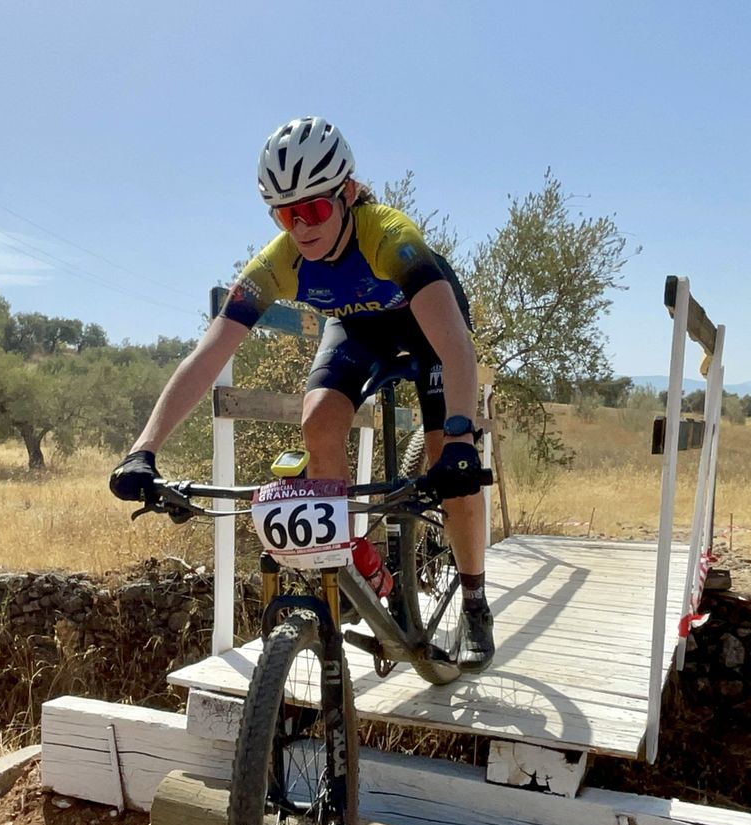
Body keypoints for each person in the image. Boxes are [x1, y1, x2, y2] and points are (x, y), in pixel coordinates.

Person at [109, 115, 494, 666]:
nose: (301, 226)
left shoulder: (389, 236)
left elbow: (456, 347)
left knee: (445, 456)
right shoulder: (279, 261)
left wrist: (460, 436)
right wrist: (143, 450)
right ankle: (350, 563)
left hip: (426, 327)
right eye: (285, 214)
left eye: (313, 209)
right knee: (317, 423)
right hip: (357, 329)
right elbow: (209, 355)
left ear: (350, 193)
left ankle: (475, 598)